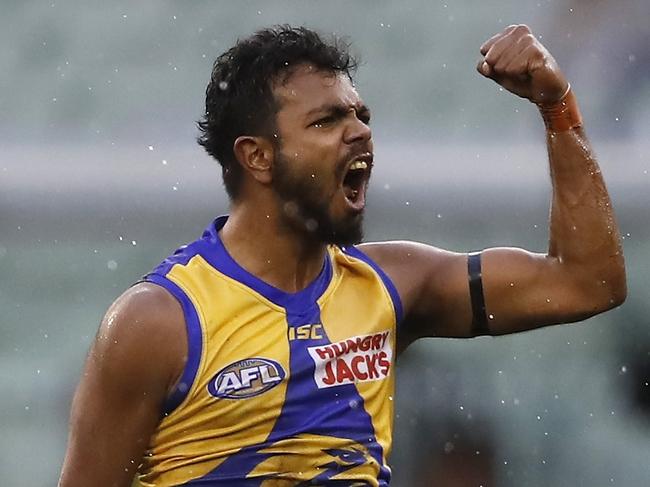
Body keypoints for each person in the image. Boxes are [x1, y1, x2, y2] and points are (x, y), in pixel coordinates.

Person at [58, 24, 626, 487]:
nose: (360, 133)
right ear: (257, 157)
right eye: (327, 120)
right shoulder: (157, 323)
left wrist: (557, 107)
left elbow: (588, 281)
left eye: (362, 116)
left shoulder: (393, 284)